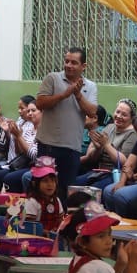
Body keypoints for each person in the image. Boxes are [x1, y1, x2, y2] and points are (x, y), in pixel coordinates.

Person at [31, 47, 99, 190]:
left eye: (74, 62)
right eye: (66, 61)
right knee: (42, 189)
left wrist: (78, 95)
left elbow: (92, 111)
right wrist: (64, 95)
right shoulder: (52, 78)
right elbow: (40, 103)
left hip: (72, 149)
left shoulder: (91, 86)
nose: (68, 65)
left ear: (83, 66)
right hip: (48, 146)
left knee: (65, 190)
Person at [76, 99, 137, 189]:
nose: (119, 116)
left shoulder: (132, 134)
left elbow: (124, 162)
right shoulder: (109, 127)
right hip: (99, 171)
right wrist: (98, 148)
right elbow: (92, 159)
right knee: (74, 183)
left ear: (131, 118)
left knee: (94, 189)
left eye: (124, 115)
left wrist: (106, 145)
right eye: (117, 112)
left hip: (115, 174)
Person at [13, 157, 65, 234]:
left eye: (53, 181)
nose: (50, 184)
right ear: (35, 184)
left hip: (53, 237)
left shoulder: (56, 200)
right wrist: (45, 233)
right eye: (45, 181)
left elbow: (61, 222)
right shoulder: (33, 201)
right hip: (36, 238)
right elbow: (29, 227)